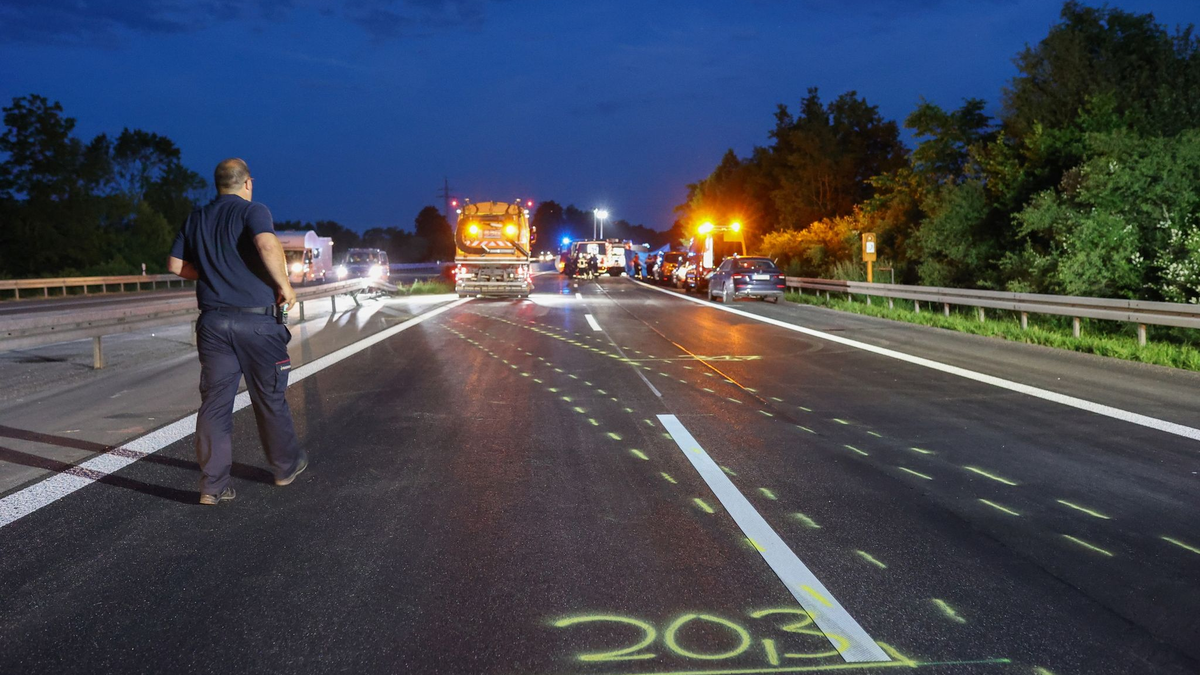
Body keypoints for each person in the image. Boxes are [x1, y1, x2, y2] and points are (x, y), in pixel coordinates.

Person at [167, 158, 307, 505]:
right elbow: (266, 244)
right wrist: (285, 286)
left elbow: (173, 265)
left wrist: (212, 275)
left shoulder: (196, 217)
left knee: (215, 404)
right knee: (269, 397)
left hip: (214, 324)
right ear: (247, 183)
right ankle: (285, 467)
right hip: (257, 323)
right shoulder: (253, 210)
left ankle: (212, 487)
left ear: (218, 185)